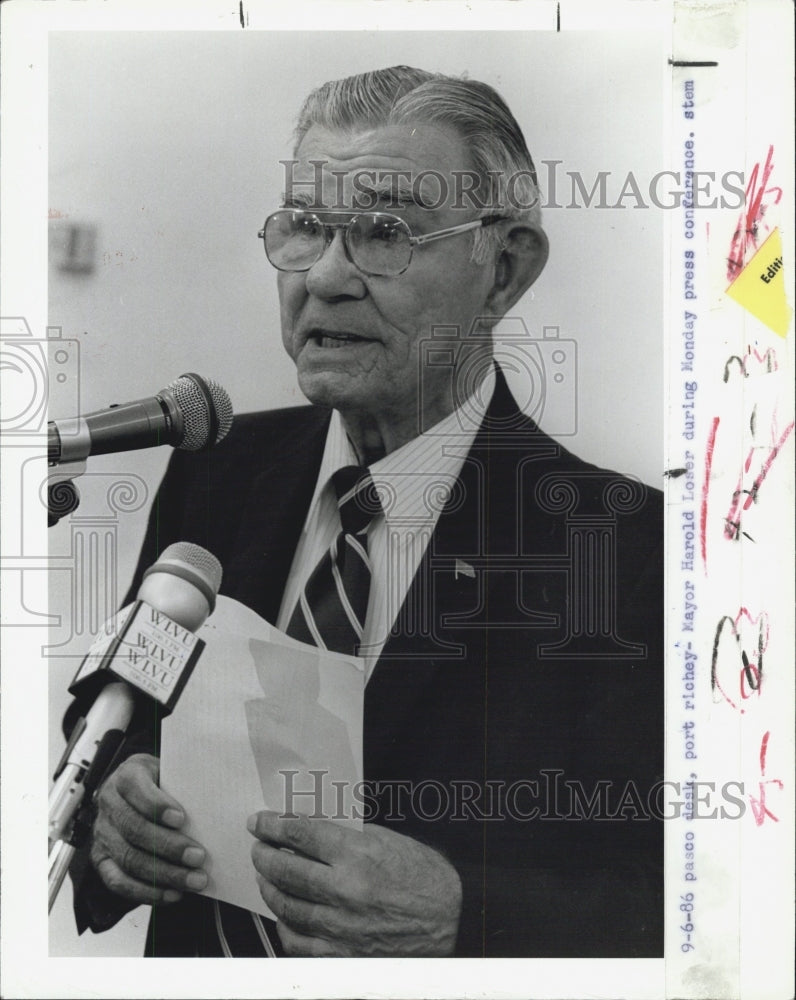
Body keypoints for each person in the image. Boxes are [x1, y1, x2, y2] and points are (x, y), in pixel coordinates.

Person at [65, 65, 663, 958]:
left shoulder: (630, 553)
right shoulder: (218, 472)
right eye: (306, 227)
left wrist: (467, 916)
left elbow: (707, 903)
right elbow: (116, 714)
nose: (329, 276)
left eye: (386, 231)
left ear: (502, 272)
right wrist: (112, 811)